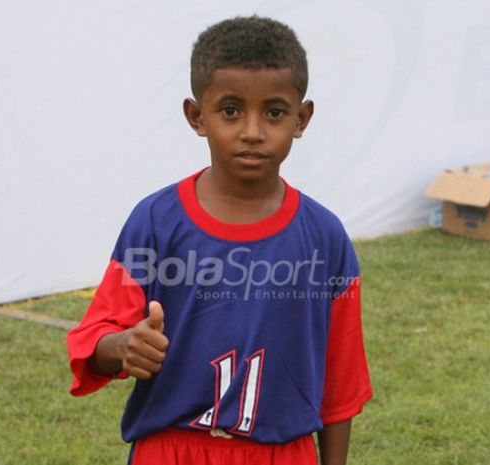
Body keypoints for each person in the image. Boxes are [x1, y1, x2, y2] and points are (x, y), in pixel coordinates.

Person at [66, 15, 372, 465]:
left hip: (282, 454)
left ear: (302, 118)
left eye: (274, 112)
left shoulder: (323, 237)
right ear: (197, 116)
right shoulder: (156, 221)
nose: (252, 131)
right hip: (170, 450)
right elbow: (96, 340)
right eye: (230, 110)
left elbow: (340, 386)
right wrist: (123, 346)